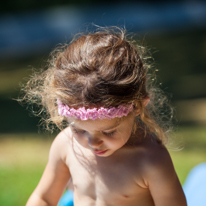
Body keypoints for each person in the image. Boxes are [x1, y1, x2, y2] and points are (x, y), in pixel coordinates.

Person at [23, 27, 187, 206]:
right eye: (78, 129)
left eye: (108, 132)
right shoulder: (66, 145)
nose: (93, 142)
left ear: (138, 106)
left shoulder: (150, 160)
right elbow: (44, 198)